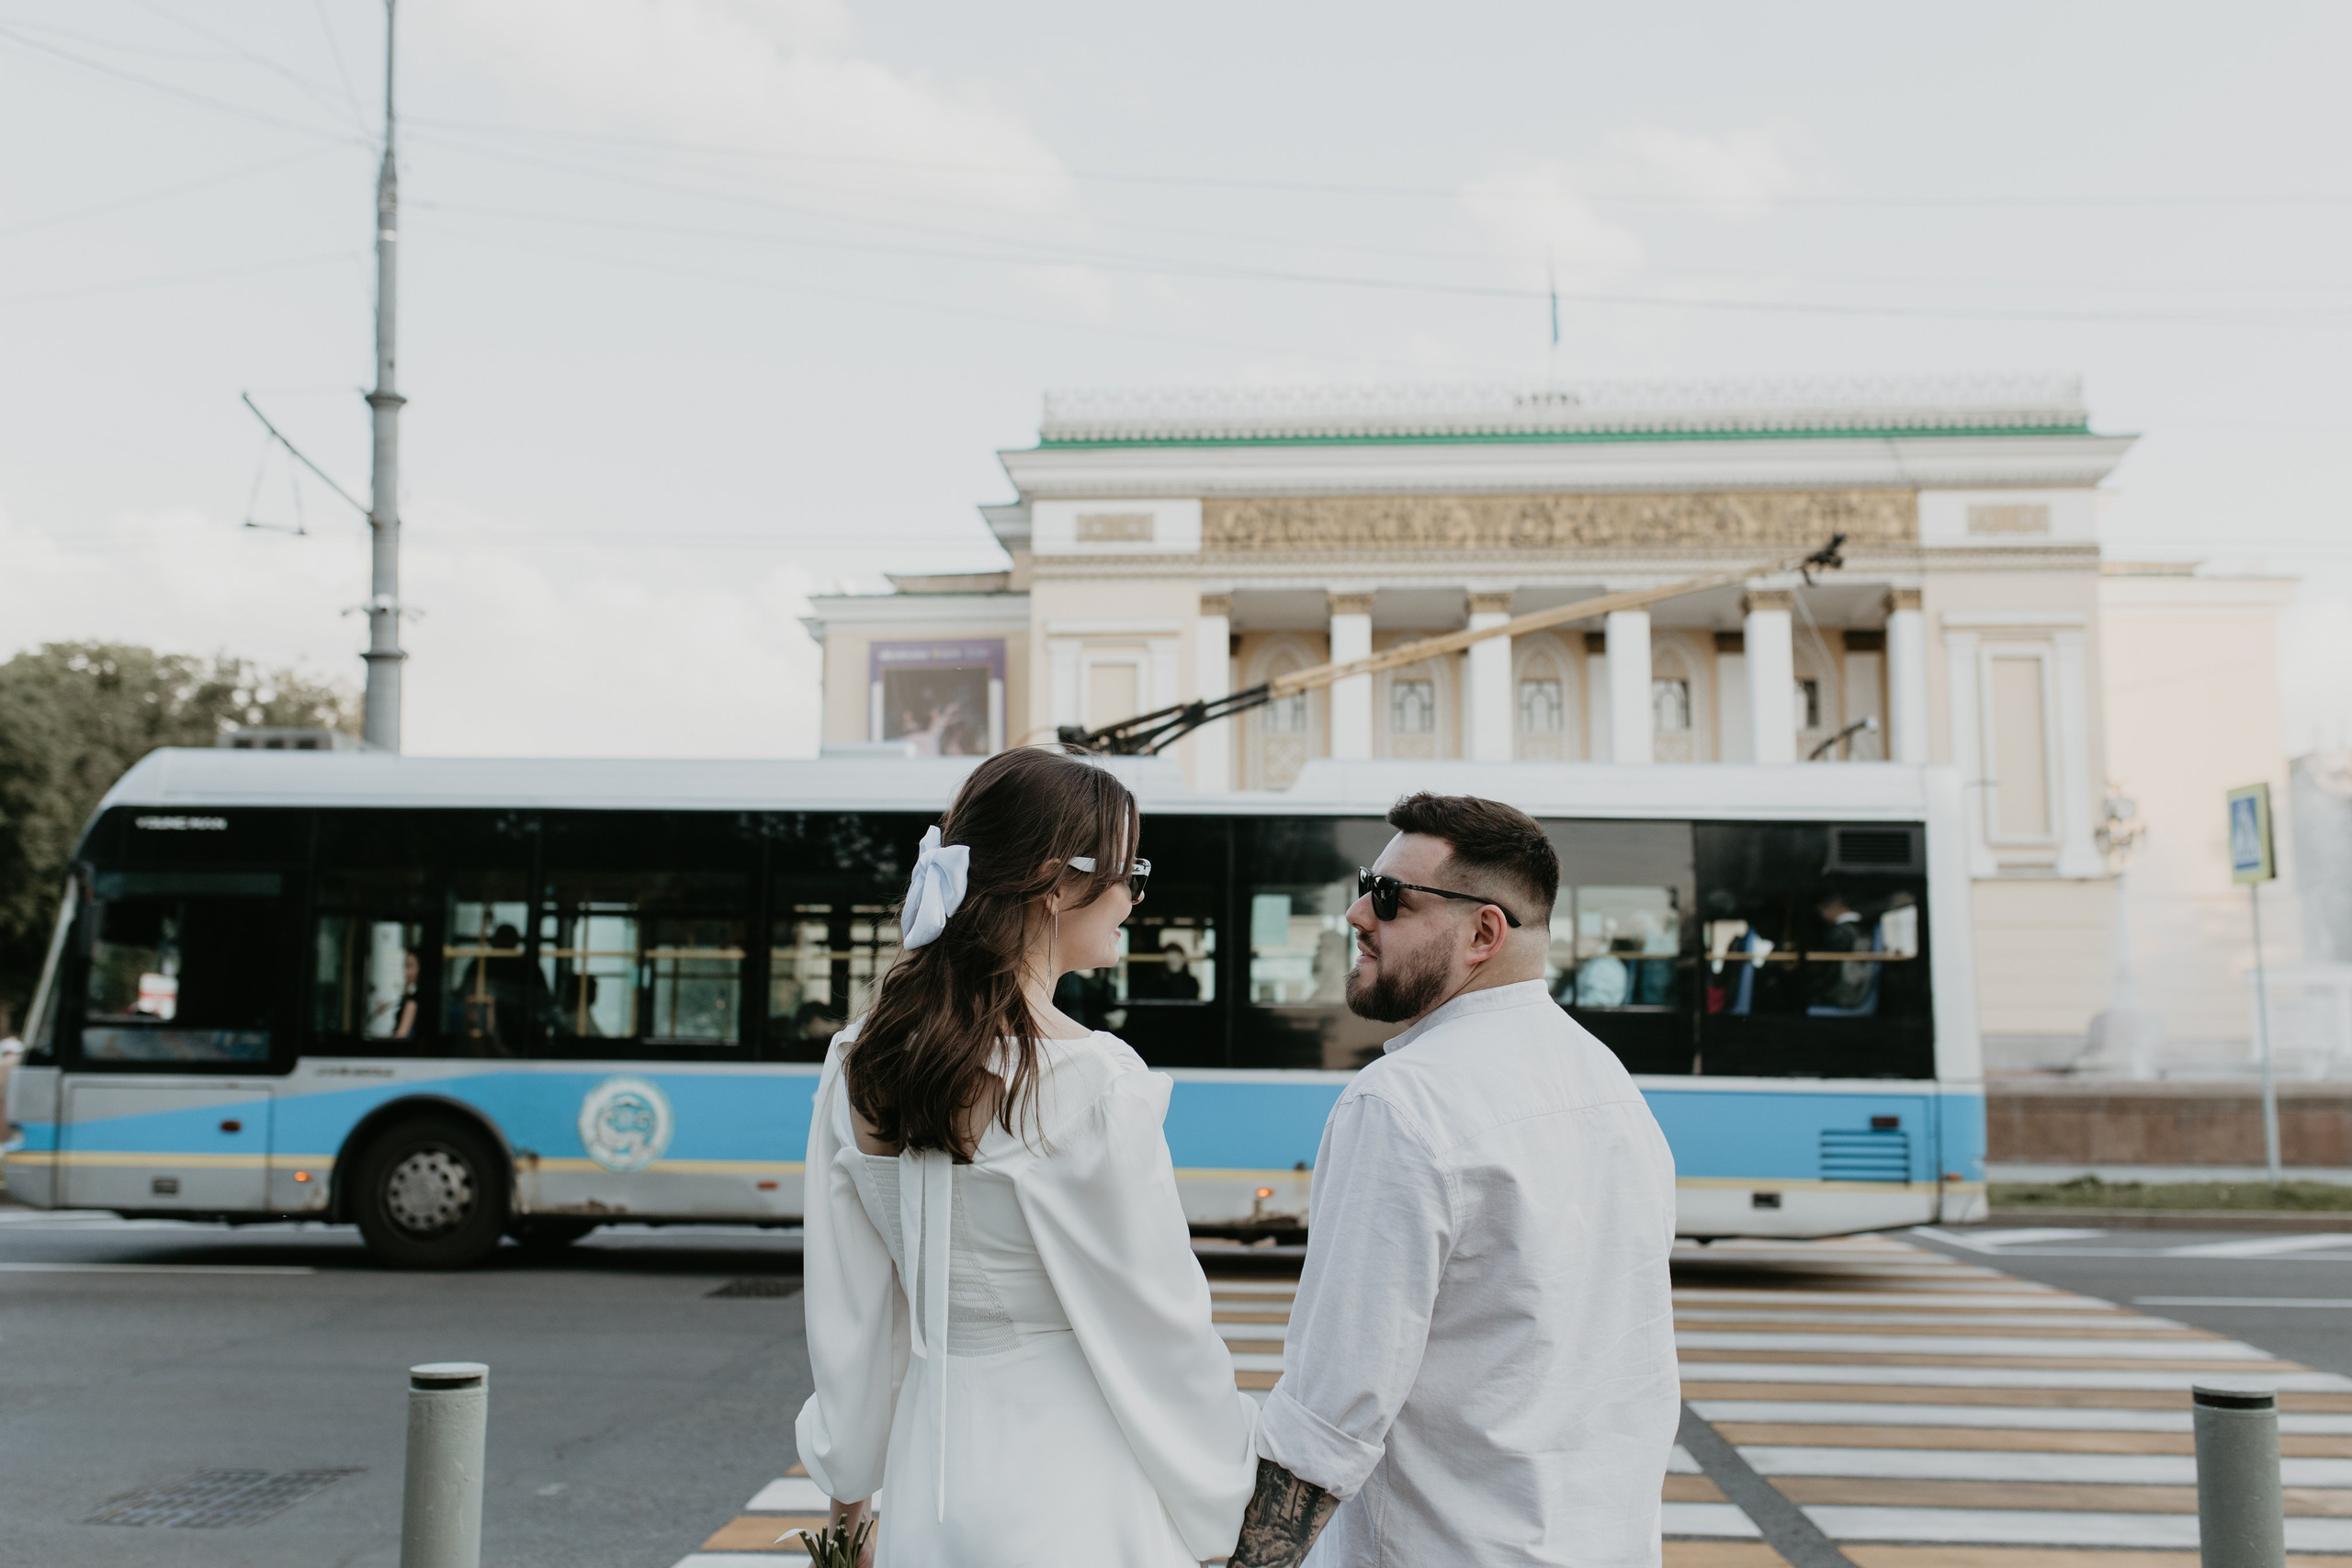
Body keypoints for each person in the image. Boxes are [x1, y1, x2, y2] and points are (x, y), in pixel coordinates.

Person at [797, 748, 1257, 1567]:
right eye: (1129, 872)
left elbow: (854, 1317)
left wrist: (847, 1508)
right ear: (1055, 882)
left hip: (929, 1477)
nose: (1134, 897)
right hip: (1077, 1479)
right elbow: (1162, 1330)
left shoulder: (857, 1062)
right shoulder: (1095, 1082)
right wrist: (1233, 1504)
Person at [1235, 792, 1679, 1568]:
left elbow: (1330, 1414)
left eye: (1388, 897)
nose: (1355, 915)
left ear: (1483, 931)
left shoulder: (1403, 1103)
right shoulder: (1610, 1086)